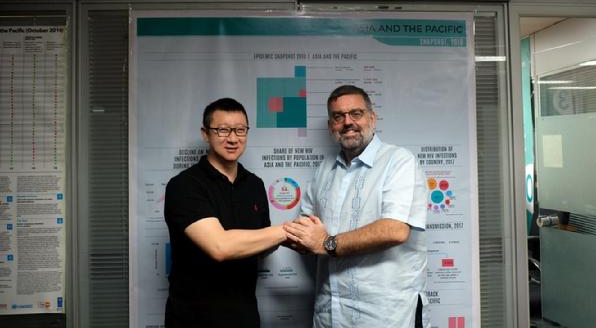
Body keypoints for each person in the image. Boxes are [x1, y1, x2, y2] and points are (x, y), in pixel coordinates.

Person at [284, 85, 429, 328]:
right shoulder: (324, 170)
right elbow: (306, 227)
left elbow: (395, 230)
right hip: (331, 314)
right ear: (331, 126)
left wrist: (326, 243)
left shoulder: (399, 161)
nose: (347, 122)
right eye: (338, 116)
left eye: (356, 113)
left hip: (386, 317)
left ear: (372, 118)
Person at [163, 98, 286, 328]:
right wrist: (287, 231)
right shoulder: (184, 186)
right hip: (193, 320)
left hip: (245, 318)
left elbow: (263, 246)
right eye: (222, 130)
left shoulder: (255, 185)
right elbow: (220, 247)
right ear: (205, 134)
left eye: (240, 130)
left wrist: (297, 237)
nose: (232, 138)